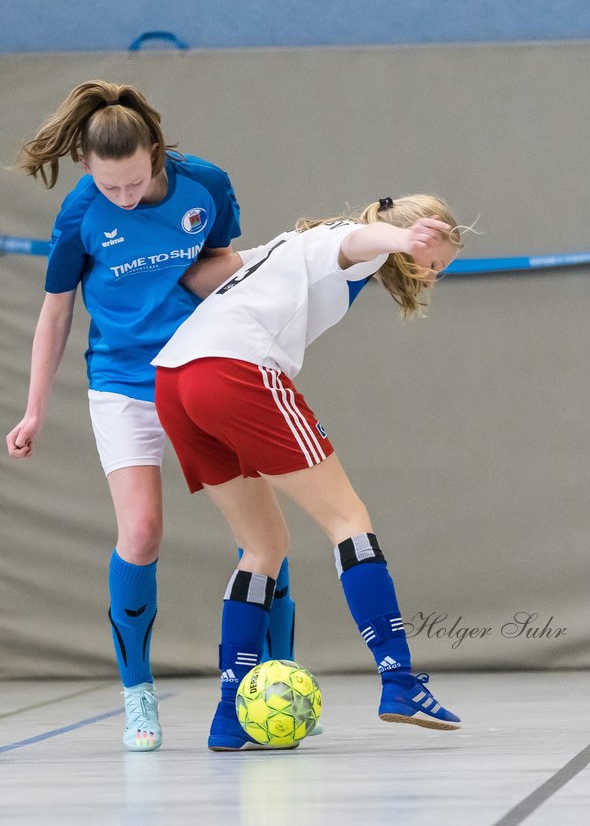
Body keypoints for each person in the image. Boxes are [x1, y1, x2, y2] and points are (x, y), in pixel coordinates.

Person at [5, 80, 302, 752]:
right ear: (87, 170)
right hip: (123, 382)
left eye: (134, 183)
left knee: (261, 535)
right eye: (109, 187)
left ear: (158, 153)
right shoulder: (81, 211)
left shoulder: (206, 186)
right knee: (139, 533)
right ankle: (138, 696)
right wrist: (33, 410)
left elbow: (227, 269)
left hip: (202, 370)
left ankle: (274, 676)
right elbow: (56, 311)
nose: (124, 198)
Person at [152, 194, 465, 750]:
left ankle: (229, 713)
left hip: (175, 380)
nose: (432, 275)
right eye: (434, 262)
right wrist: (400, 241)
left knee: (263, 544)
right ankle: (399, 680)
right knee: (348, 518)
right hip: (236, 370)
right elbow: (359, 241)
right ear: (414, 235)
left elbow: (203, 278)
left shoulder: (287, 245)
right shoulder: (351, 241)